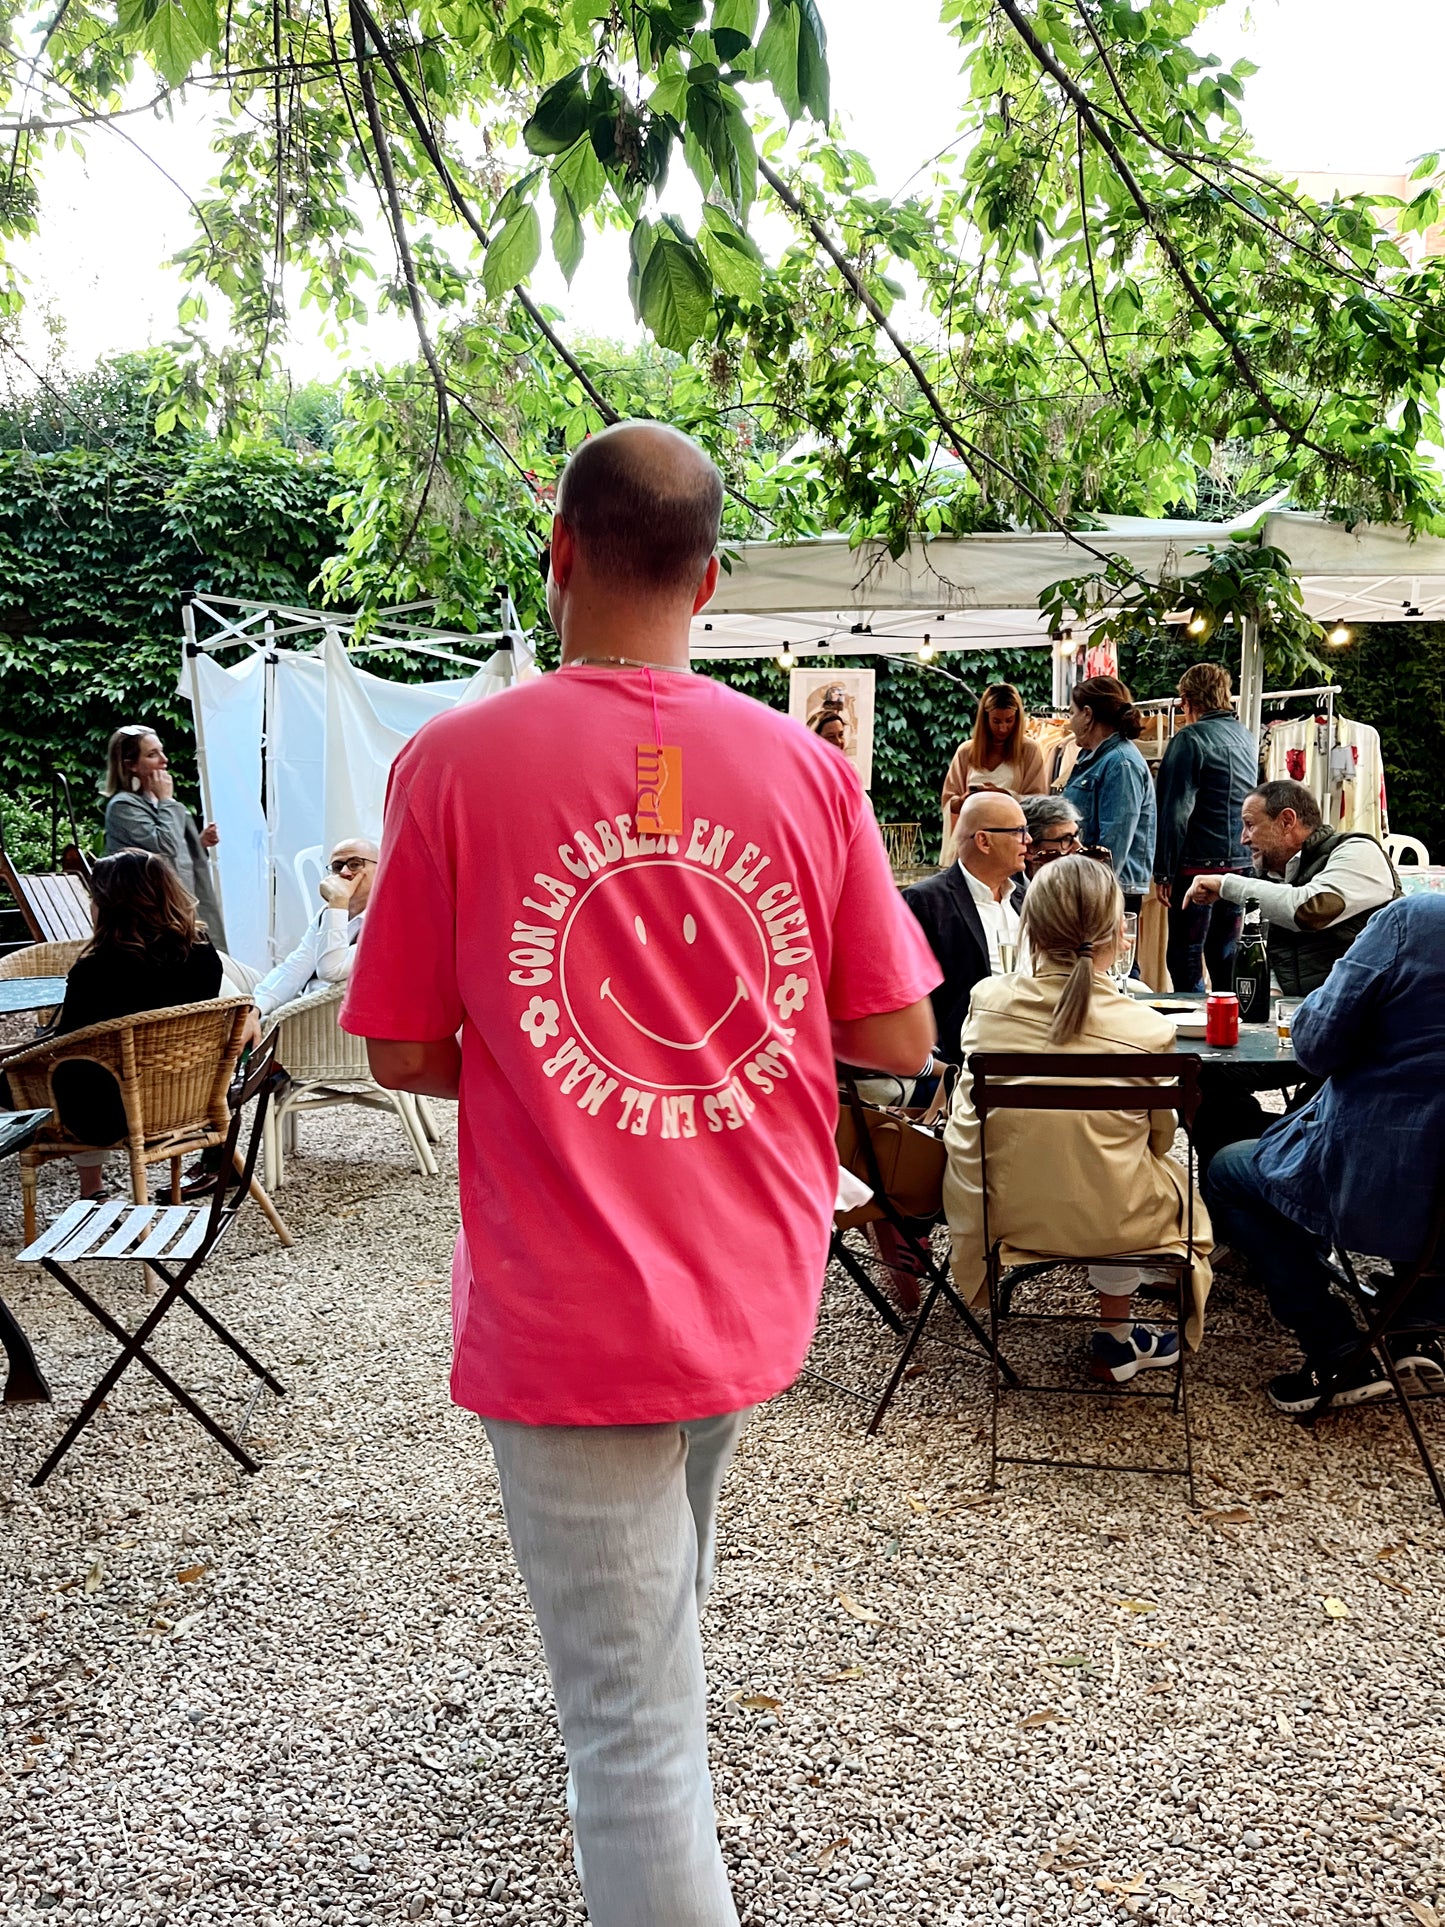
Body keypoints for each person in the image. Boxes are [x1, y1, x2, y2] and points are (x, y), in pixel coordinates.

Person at [340, 420, 940, 1927]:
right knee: (655, 1648)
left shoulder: (454, 763)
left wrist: (551, 1057)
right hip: (744, 1282)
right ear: (711, 581)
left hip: (568, 1311)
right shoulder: (804, 769)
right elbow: (895, 1028)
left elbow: (403, 1054)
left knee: (627, 1742)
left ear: (558, 555)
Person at [942, 854, 1211, 1381]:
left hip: (1005, 1210)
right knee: (1122, 1169)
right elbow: (1159, 1139)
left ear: (1032, 927)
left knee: (1088, 1162)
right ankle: (1116, 1334)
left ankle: (1118, 1340)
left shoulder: (988, 1003)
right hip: (1115, 1215)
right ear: (1117, 932)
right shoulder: (1146, 1028)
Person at [1205, 894, 1445, 1412]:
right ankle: (1418, 1324)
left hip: (1377, 1175)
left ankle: (1336, 1348)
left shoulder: (1416, 921)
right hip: (1430, 1192)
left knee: (1227, 1171)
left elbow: (1315, 1044)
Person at [49, 851, 224, 1198]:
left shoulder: (96, 970)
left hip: (109, 1115)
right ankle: (92, 1189)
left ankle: (92, 1188)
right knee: (89, 1070)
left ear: (109, 905)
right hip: (187, 1099)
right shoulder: (204, 955)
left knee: (55, 1073)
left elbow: (66, 1047)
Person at [1181, 778, 1398, 996]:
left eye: (1250, 825)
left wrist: (1224, 884)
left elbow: (1310, 910)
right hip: (1309, 1013)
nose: (1243, 839)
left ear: (1286, 821)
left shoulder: (1359, 851)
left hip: (1370, 1013)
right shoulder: (1273, 877)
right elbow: (1272, 957)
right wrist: (1271, 1002)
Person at [1152, 662, 1259, 993]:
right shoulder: (1246, 736)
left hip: (1197, 865)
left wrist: (1164, 872)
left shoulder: (1190, 738)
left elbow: (1174, 811)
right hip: (1240, 863)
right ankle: (1229, 1022)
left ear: (1186, 701)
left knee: (1185, 956)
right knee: (1225, 953)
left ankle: (1193, 1026)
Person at [903, 790, 1029, 1068]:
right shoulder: (925, 901)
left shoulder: (1027, 898)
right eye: (1019, 831)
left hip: (1030, 1048)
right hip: (963, 1059)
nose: (1028, 840)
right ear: (984, 840)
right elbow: (911, 994)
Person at [103, 724, 227, 951]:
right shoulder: (123, 806)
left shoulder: (156, 802)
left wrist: (198, 843)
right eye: (152, 754)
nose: (164, 760)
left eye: (161, 751)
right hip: (149, 922)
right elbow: (164, 847)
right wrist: (167, 802)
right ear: (130, 765)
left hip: (179, 910)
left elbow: (169, 853)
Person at [251, 837, 378, 1016]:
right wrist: (256, 1008)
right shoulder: (329, 912)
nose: (344, 872)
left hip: (323, 1017)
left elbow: (331, 970)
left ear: (381, 869)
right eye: (337, 867)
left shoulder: (387, 917)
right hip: (299, 1001)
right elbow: (296, 966)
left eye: (355, 864)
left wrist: (338, 901)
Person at [1062, 675, 1156, 912]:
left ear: (1087, 714)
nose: (1069, 722)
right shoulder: (1095, 757)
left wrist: (1093, 895)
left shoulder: (1120, 764)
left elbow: (1113, 844)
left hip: (1110, 890)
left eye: (1071, 713)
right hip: (1093, 883)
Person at [939, 683, 1047, 855]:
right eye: (996, 721)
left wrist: (1005, 796)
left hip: (1011, 844)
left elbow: (1038, 801)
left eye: (1009, 720)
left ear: (1018, 719)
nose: (1003, 728)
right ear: (985, 719)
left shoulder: (1029, 750)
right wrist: (963, 801)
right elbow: (948, 801)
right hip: (970, 842)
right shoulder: (966, 752)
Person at [1019, 794, 1082, 880]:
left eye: (1077, 835)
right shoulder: (1006, 889)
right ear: (1030, 848)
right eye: (1066, 839)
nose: (1079, 847)